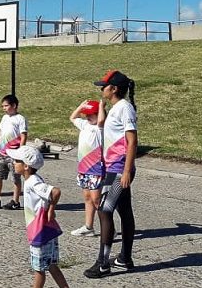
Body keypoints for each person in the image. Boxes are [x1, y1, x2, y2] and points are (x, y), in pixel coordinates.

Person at [84, 70, 138, 278]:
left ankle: (103, 263)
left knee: (104, 210)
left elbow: (132, 141)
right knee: (124, 211)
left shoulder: (125, 108)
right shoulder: (117, 108)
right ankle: (125, 259)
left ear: (114, 89)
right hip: (111, 167)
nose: (101, 89)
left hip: (118, 169)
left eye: (104, 86)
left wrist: (126, 171)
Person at [8, 145, 69, 288]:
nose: (13, 163)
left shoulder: (33, 182)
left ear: (26, 166)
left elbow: (55, 192)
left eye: (17, 161)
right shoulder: (33, 179)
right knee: (52, 265)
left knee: (39, 270)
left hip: (40, 231)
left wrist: (51, 209)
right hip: (45, 230)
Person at [68, 100, 105, 236]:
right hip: (83, 169)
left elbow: (101, 120)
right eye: (86, 114)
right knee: (87, 198)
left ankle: (108, 228)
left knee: (97, 200)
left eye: (92, 114)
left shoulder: (99, 128)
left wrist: (101, 107)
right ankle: (88, 227)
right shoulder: (84, 125)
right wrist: (81, 107)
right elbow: (72, 117)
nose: (88, 117)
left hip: (95, 169)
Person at [0, 94, 27, 210]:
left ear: (14, 105)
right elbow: (1, 133)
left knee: (15, 178)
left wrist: (21, 151)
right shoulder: (4, 118)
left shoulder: (20, 119)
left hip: (14, 153)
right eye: (3, 106)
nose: (4, 108)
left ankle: (15, 201)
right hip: (2, 152)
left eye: (6, 106)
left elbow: (23, 135)